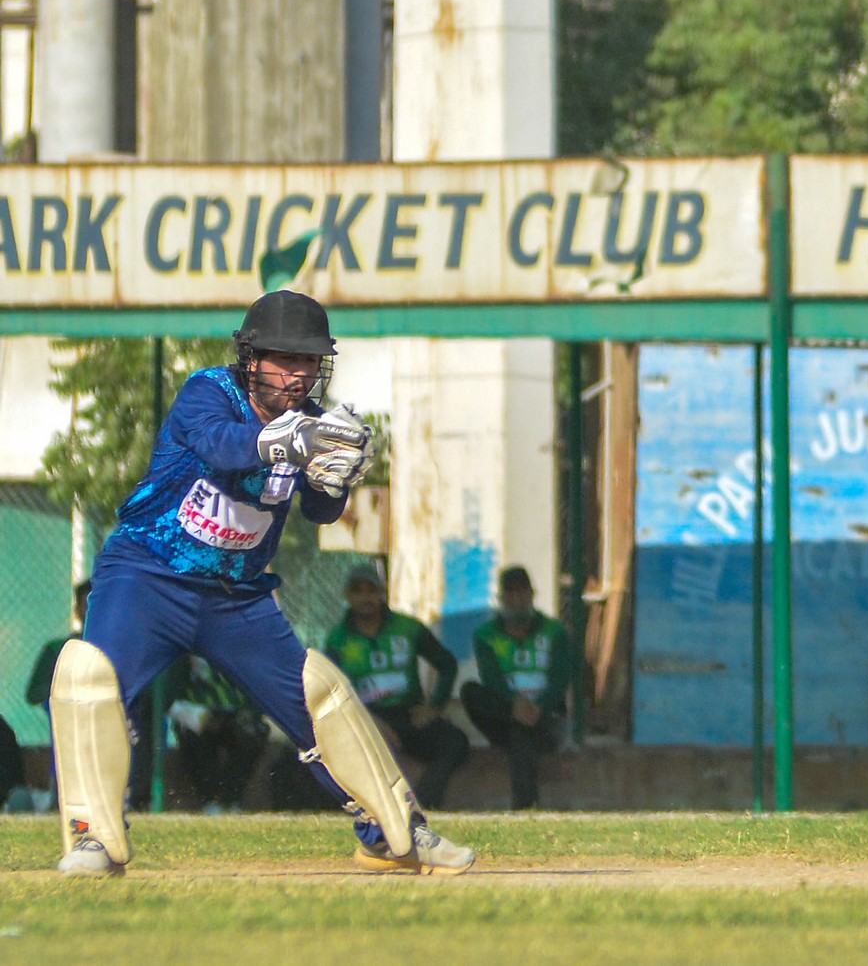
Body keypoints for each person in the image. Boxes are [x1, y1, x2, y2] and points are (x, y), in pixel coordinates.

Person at [50, 289, 474, 877]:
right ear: (250, 357)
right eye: (283, 359)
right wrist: (281, 442)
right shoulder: (208, 391)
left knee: (318, 702)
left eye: (307, 361)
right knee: (92, 681)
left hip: (237, 596)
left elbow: (321, 513)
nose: (296, 374)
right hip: (148, 574)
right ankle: (92, 838)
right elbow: (221, 446)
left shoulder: (315, 425)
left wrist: (333, 480)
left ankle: (395, 833)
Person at [324, 563, 469, 810]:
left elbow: (447, 664)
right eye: (358, 591)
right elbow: (334, 691)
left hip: (408, 714)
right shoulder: (338, 639)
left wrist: (434, 706)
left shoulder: (407, 628)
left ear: (382, 593)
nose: (366, 597)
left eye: (372, 590)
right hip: (367, 718)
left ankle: (423, 804)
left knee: (455, 741)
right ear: (347, 596)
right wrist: (370, 722)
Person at [26, 581, 160, 812]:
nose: (90, 610)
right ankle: (68, 800)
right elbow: (35, 692)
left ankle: (133, 799)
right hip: (75, 717)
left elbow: (149, 692)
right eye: (85, 604)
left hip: (119, 716)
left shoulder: (128, 649)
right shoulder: (59, 649)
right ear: (76, 609)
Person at [460, 565, 573, 809]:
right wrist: (515, 706)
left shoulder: (554, 632)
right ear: (501, 598)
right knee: (470, 691)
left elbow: (560, 678)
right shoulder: (486, 635)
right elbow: (492, 679)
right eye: (510, 594)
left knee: (521, 733)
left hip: (545, 718)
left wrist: (538, 707)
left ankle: (525, 807)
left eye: (522, 592)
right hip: (506, 714)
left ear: (532, 595)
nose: (517, 600)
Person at [168, 656, 270, 814]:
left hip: (235, 712)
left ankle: (231, 801)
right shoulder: (185, 649)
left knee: (253, 731)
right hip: (197, 710)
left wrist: (250, 711)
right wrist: (200, 716)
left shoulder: (244, 647)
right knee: (191, 734)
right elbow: (169, 695)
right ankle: (211, 802)